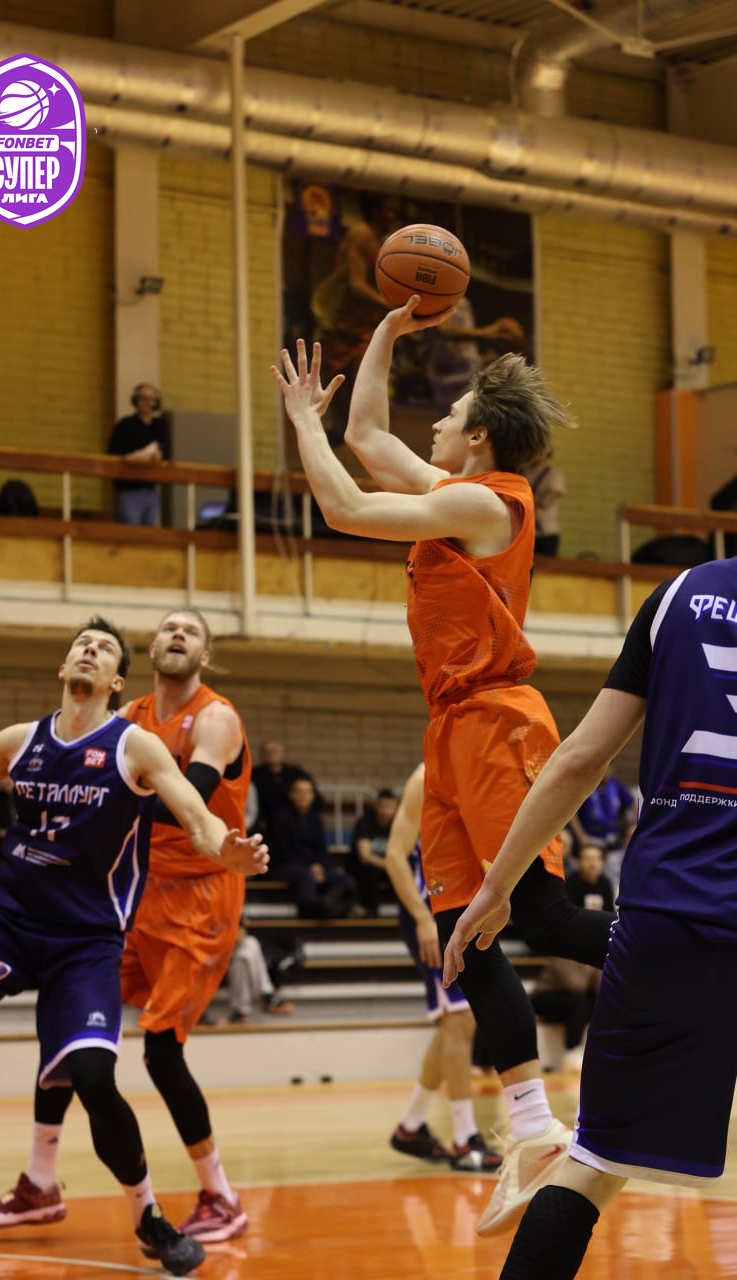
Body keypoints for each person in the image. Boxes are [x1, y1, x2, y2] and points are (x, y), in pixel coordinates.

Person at [271, 309, 614, 1236]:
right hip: (452, 729)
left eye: (450, 414)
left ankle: (695, 948)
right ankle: (533, 1130)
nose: (434, 424)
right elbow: (366, 436)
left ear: (480, 436)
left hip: (497, 720)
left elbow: (344, 505)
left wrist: (297, 421)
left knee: (539, 914)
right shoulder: (458, 492)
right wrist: (385, 331)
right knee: (467, 938)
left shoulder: (487, 503)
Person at [0, 615, 268, 1276]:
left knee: (91, 1076)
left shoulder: (136, 746)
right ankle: (42, 1183)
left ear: (116, 681)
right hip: (10, 924)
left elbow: (195, 813)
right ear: (64, 669)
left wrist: (224, 850)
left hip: (85, 939)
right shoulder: (22, 740)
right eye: (80, 645)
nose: (90, 650)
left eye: (104, 648)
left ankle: (148, 1214)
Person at [446, 556, 737, 1279]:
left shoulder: (680, 594)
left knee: (594, 1162)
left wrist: (497, 887)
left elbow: (580, 758)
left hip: (668, 912)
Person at [386, 763, 501, 1173]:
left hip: (458, 907)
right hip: (429, 913)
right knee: (459, 1021)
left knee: (456, 1022)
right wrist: (421, 918)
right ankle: (463, 1139)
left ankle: (411, 1126)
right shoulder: (424, 778)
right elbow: (394, 856)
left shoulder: (477, 774)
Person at [311, 193, 398, 447]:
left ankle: (374, 448)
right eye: (388, 209)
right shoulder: (361, 234)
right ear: (376, 210)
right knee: (340, 405)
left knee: (377, 397)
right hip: (344, 327)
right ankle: (328, 442)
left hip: (367, 331)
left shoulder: (386, 242)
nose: (393, 215)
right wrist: (394, 307)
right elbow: (356, 285)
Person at [268, 776, 356, 918]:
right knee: (306, 876)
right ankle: (308, 913)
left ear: (313, 796)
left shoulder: (315, 817)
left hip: (313, 866)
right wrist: (310, 866)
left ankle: (328, 906)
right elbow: (282, 851)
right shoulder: (280, 817)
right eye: (299, 792)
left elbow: (322, 847)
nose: (304, 796)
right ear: (291, 795)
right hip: (285, 865)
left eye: (308, 792)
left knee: (346, 880)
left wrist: (321, 867)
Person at [107, 383, 171, 527]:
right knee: (130, 531)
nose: (147, 403)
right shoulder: (125, 425)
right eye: (143, 398)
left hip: (150, 488)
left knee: (149, 533)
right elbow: (113, 453)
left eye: (151, 399)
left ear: (156, 402)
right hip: (129, 488)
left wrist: (159, 456)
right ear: (136, 400)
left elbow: (166, 451)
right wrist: (135, 457)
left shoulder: (160, 425)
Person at [225, 916, 296, 1024]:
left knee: (249, 946)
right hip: (204, 952)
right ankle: (266, 998)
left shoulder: (229, 907)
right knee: (243, 954)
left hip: (225, 949)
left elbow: (240, 934)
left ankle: (241, 1011)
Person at [249, 739, 319, 835]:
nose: (271, 754)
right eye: (267, 752)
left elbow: (313, 793)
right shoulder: (254, 775)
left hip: (292, 819)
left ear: (282, 753)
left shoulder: (296, 773)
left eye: (274, 750)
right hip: (263, 822)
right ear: (262, 755)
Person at [348, 787, 398, 917]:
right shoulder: (365, 822)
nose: (386, 811)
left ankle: (407, 912)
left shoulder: (398, 824)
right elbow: (365, 856)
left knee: (406, 870)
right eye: (383, 807)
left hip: (388, 866)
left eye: (390, 807)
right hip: (363, 867)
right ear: (376, 806)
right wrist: (388, 864)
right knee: (369, 870)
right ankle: (372, 913)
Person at [568, 764, 635, 853]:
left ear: (612, 770)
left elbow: (633, 805)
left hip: (614, 836)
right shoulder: (585, 785)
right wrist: (581, 836)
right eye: (603, 768)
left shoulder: (616, 785)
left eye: (608, 768)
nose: (605, 772)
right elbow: (572, 814)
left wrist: (634, 826)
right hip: (591, 837)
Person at [521, 455, 566, 557]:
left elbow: (546, 501)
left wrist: (525, 498)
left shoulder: (554, 474)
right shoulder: (521, 472)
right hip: (523, 532)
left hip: (545, 532)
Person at [563, 843, 614, 913]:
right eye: (587, 858)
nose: (592, 863)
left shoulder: (605, 883)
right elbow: (568, 912)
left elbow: (610, 911)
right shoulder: (570, 882)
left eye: (597, 858)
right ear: (579, 862)